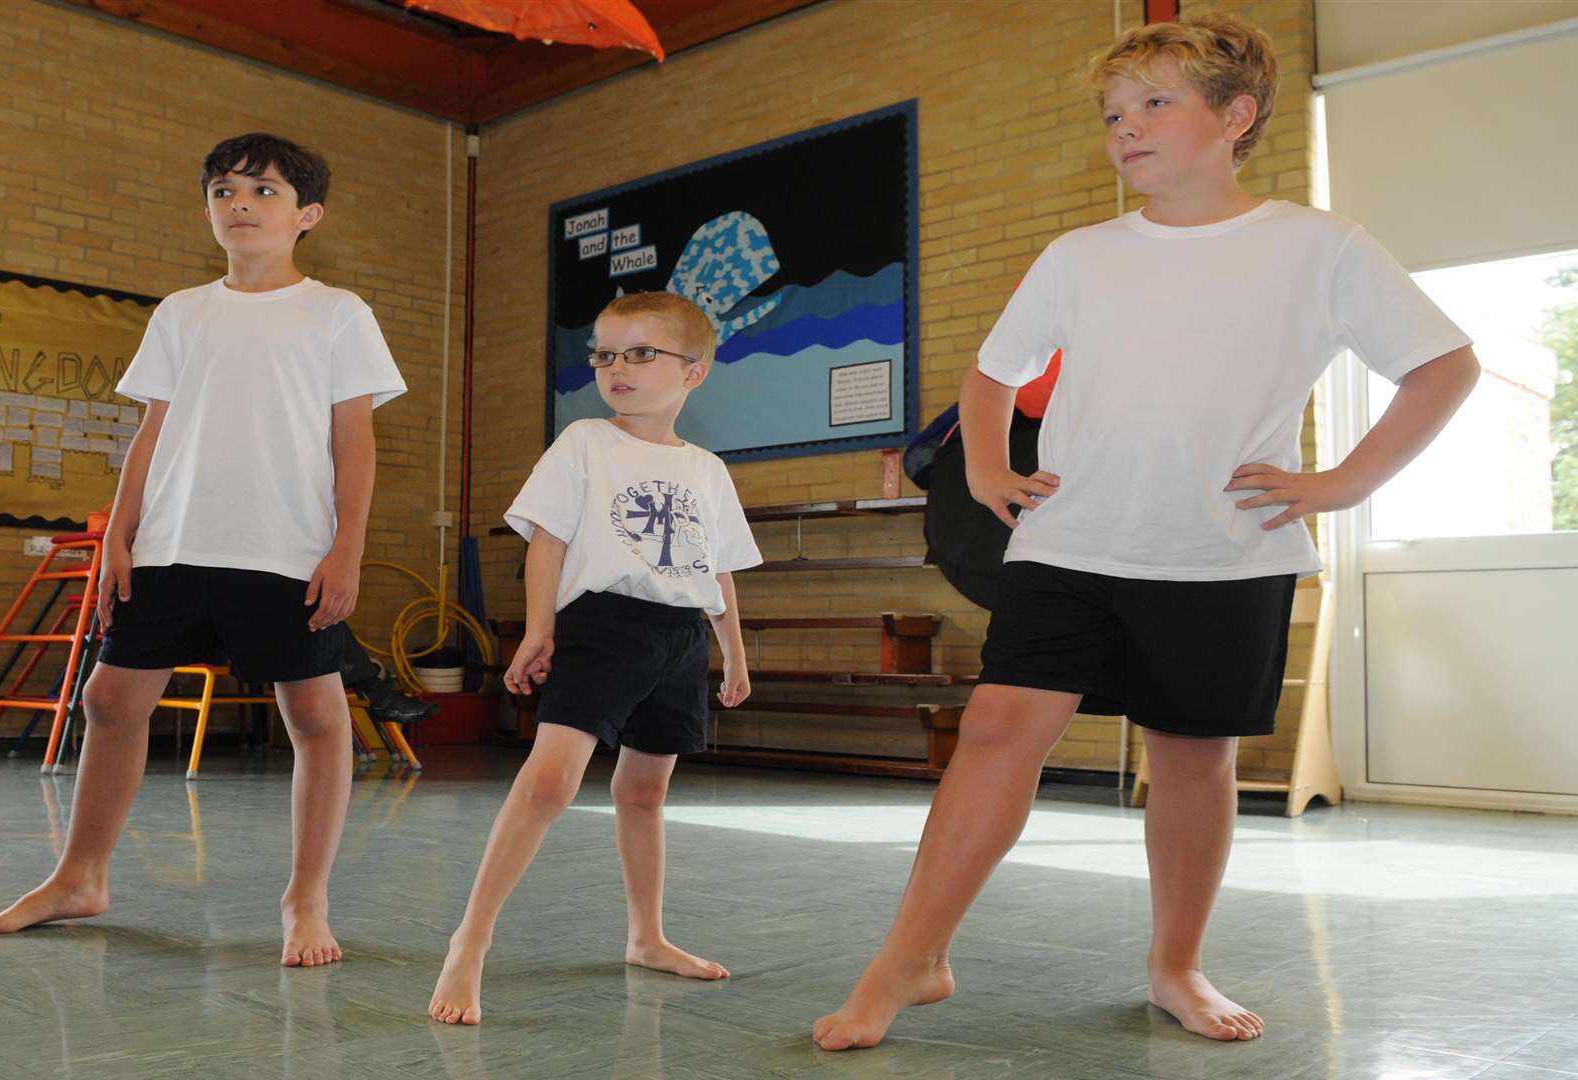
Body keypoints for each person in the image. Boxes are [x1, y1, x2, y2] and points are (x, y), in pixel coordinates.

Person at [813, 12, 1480, 1049]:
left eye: (1154, 104)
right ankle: (910, 959)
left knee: (1192, 754)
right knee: (996, 730)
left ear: (1236, 117)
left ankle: (1176, 964)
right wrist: (985, 464)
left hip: (1222, 553)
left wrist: (1344, 480)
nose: (1124, 129)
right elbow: (992, 372)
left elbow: (1443, 366)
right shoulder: (1080, 257)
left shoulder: (1319, 248)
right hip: (1070, 542)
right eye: (1112, 114)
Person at [0, 132, 408, 969]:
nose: (240, 204)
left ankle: (305, 898)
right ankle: (79, 877)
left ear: (307, 215)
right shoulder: (182, 311)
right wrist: (119, 539)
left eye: (264, 192)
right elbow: (149, 434)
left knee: (315, 717)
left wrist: (348, 548)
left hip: (285, 550)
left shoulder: (338, 313)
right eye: (224, 192)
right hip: (172, 543)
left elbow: (356, 443)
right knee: (110, 702)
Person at [427, 292, 762, 1025]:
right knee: (547, 784)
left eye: (641, 353)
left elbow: (720, 567)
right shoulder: (584, 441)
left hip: (679, 637)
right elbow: (545, 539)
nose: (617, 367)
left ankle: (647, 936)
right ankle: (470, 940)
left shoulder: (707, 469)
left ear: (694, 372)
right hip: (603, 626)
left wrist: (732, 649)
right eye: (605, 354)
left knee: (644, 794)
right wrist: (539, 629)